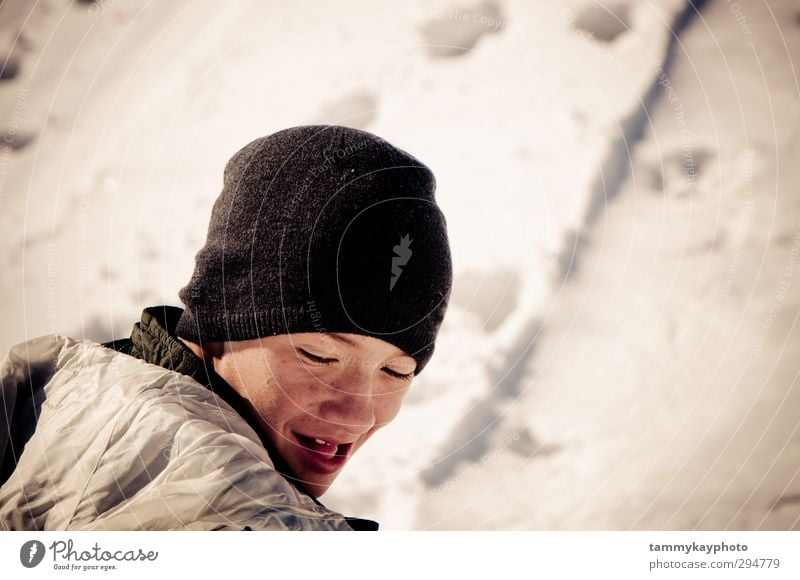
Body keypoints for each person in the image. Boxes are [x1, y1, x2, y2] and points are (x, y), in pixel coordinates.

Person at [0, 125, 452, 530]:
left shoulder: (53, 395)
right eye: (319, 355)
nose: (357, 413)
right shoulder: (241, 519)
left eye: (397, 371)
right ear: (222, 319)